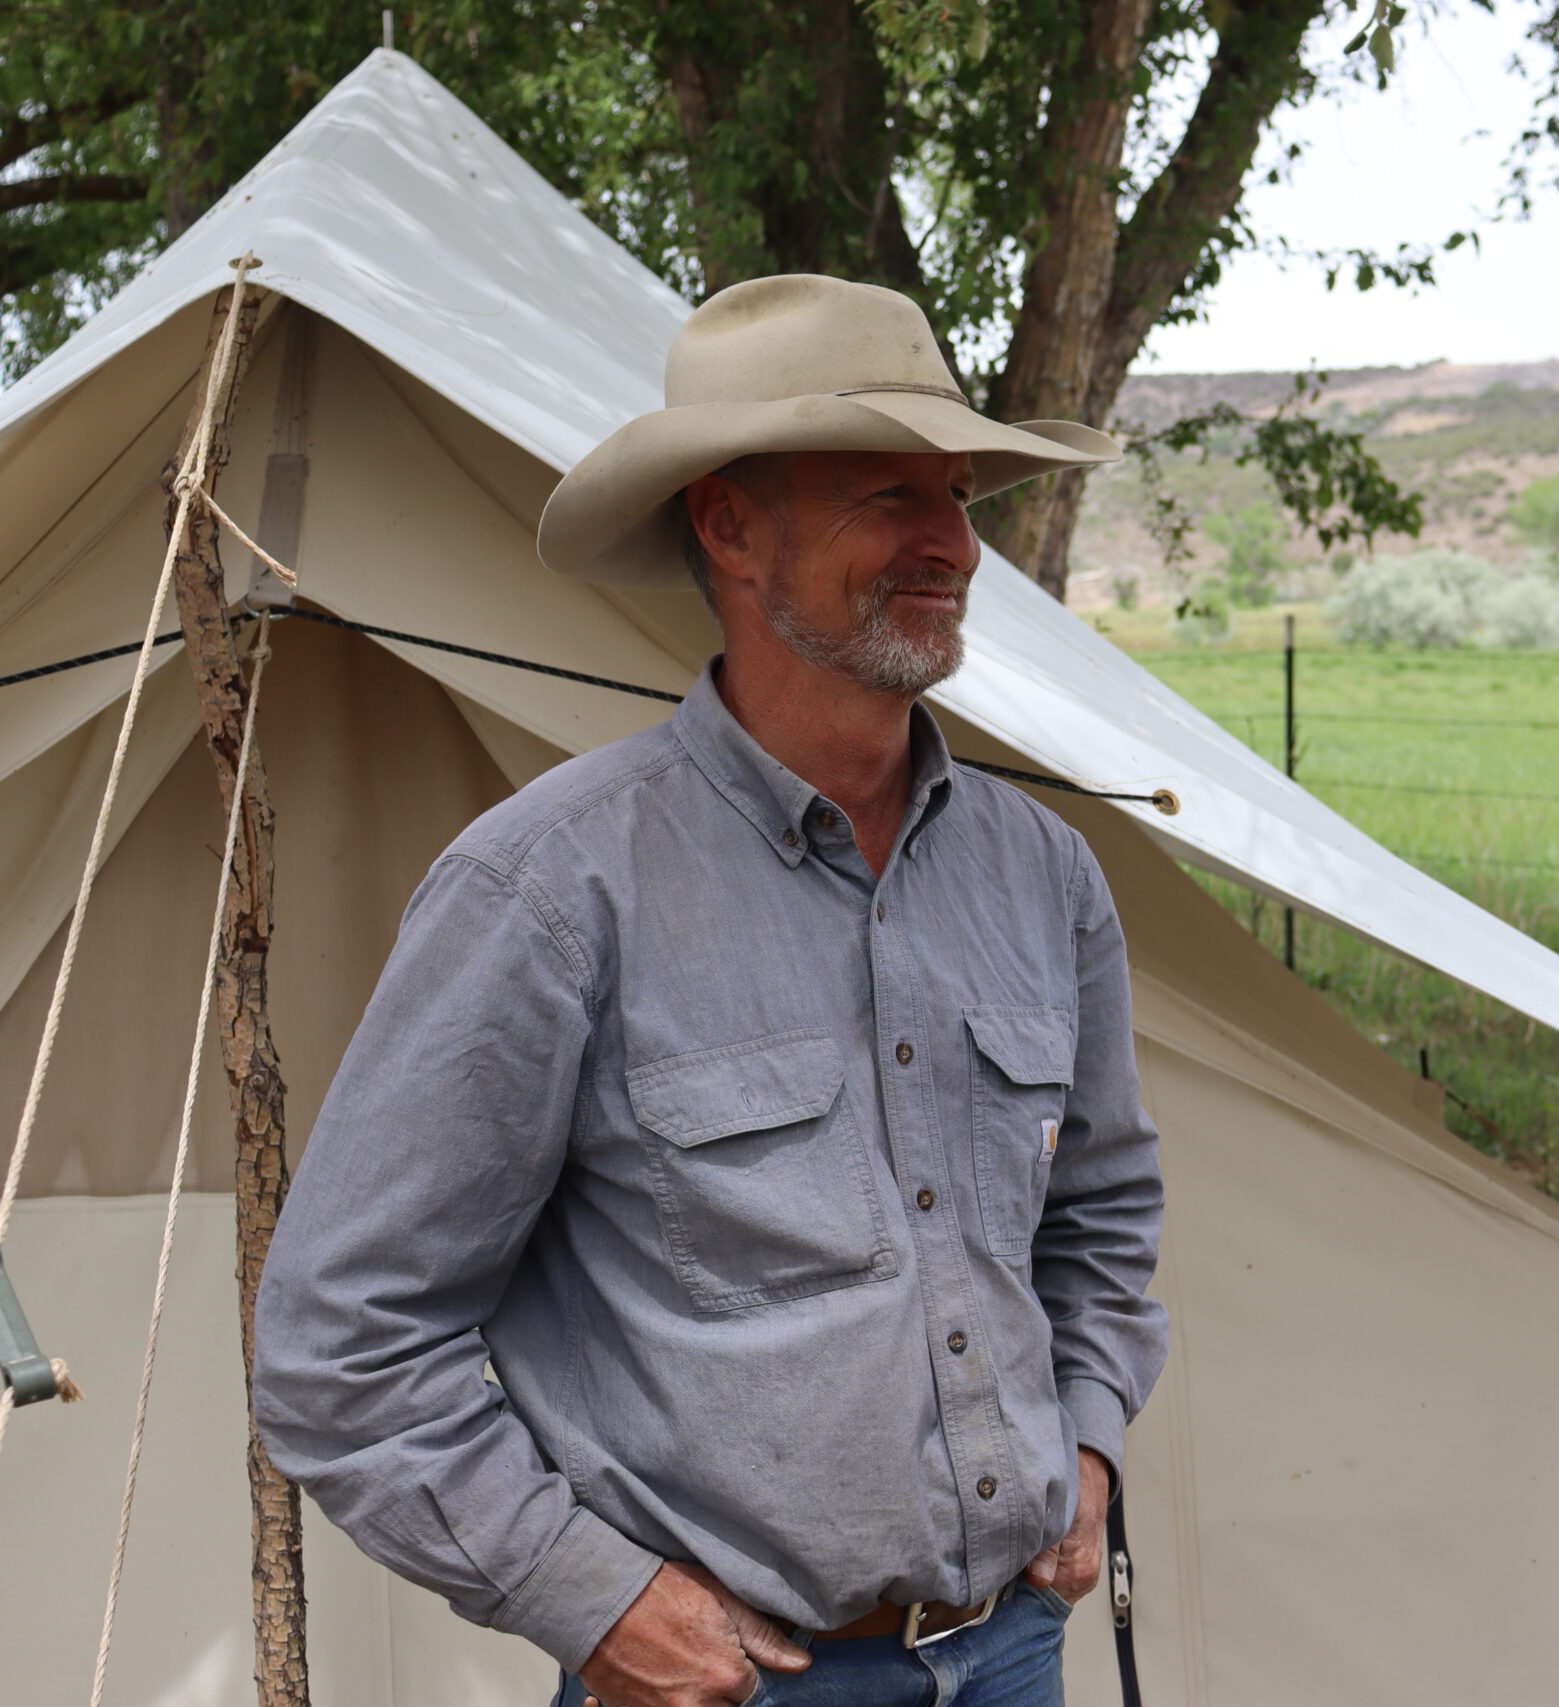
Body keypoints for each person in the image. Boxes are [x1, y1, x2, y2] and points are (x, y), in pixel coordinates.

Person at [254, 274, 1169, 1707]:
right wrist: (594, 1598)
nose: (951, 544)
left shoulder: (1043, 875)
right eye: (890, 496)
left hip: (1015, 1653)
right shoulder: (551, 893)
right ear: (731, 527)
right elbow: (340, 1345)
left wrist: (1093, 1439)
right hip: (740, 1687)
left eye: (960, 497)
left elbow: (1104, 1218)